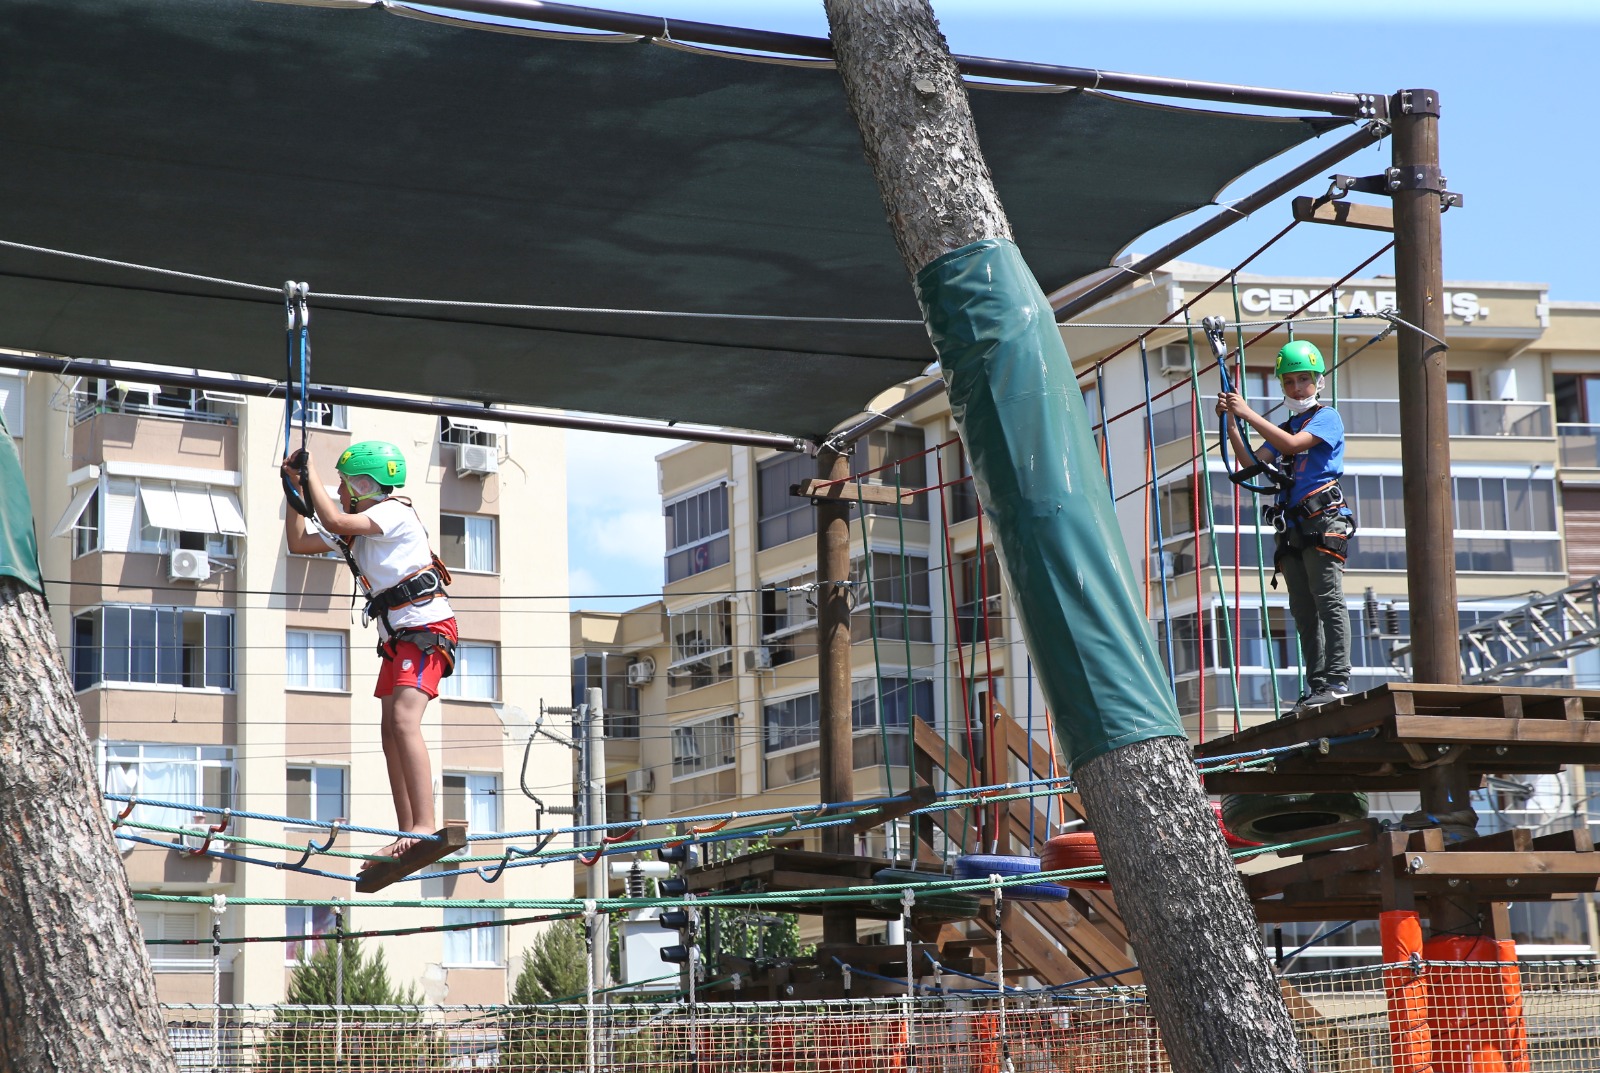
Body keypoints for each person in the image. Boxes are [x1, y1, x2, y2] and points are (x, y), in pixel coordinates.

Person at [282, 441, 457, 865]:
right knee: (388, 732)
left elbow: (336, 515)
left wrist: (310, 479)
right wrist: (293, 492)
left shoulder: (393, 512)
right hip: (398, 638)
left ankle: (423, 826)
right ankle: (407, 829)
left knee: (403, 721)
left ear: (364, 486)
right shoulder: (360, 525)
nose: (339, 492)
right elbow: (299, 542)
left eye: (343, 485)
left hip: (425, 630)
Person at [1216, 340, 1355, 712]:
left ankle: (1337, 679)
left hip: (1323, 520)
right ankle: (1318, 685)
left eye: (1304, 380)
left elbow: (1293, 446)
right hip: (1292, 528)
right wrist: (1231, 423)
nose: (1297, 388)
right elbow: (1249, 466)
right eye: (1290, 381)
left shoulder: (1327, 418)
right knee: (1303, 609)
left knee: (1328, 599)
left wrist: (1246, 414)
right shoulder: (1283, 427)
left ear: (1318, 382)